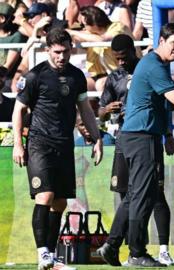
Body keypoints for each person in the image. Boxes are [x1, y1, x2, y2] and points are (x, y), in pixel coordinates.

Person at [97, 22, 174, 267]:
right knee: (143, 196)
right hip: (141, 137)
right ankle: (137, 253)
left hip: (137, 136)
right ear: (161, 40)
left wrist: (168, 135)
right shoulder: (154, 65)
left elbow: (165, 105)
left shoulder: (153, 65)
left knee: (136, 195)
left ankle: (112, 244)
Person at [11, 28, 103, 270]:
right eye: (57, 52)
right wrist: (18, 145)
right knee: (45, 195)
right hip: (40, 143)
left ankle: (51, 257)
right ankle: (42, 253)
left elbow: (85, 109)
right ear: (48, 50)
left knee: (60, 202)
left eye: (66, 51)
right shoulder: (35, 76)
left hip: (65, 144)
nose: (62, 57)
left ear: (71, 49)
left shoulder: (76, 76)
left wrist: (97, 138)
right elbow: (18, 111)